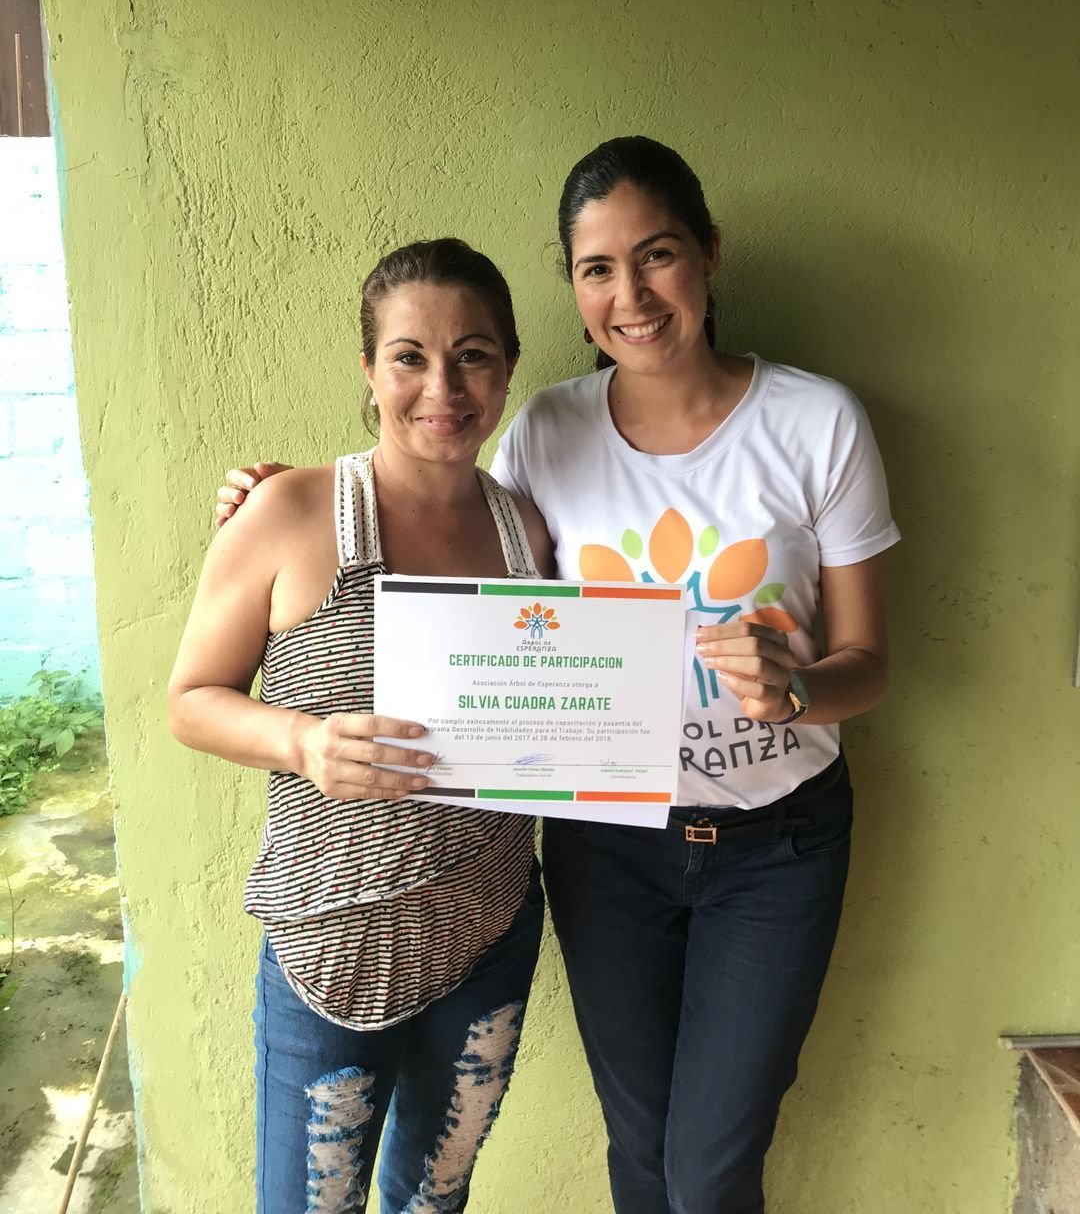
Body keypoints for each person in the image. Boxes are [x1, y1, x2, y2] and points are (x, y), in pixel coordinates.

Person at [217, 137, 899, 1214]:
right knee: (640, 1149)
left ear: (710, 254)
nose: (631, 295)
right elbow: (444, 537)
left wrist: (800, 687)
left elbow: (870, 662)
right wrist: (270, 501)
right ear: (574, 289)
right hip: (608, 850)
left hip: (778, 844)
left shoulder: (818, 422)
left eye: (657, 254)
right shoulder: (545, 432)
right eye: (597, 269)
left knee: (711, 1169)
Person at [170, 239, 554, 1214]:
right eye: (409, 357)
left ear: (508, 367)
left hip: (490, 929)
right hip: (329, 950)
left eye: (473, 356)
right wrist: (302, 744)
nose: (443, 387)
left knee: (435, 1202)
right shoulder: (290, 511)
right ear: (370, 370)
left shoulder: (527, 530)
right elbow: (191, 699)